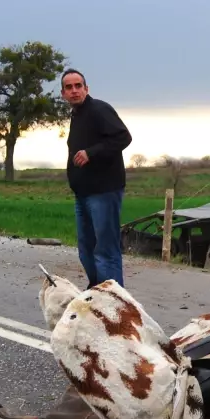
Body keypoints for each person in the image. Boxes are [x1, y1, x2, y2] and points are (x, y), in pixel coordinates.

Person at [62, 69, 132, 288]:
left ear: (86, 88)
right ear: (63, 93)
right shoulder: (77, 115)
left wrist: (91, 153)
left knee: (105, 250)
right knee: (86, 250)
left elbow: (123, 137)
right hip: (82, 194)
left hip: (104, 192)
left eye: (78, 86)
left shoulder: (99, 109)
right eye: (69, 87)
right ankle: (96, 291)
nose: (74, 91)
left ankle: (114, 301)